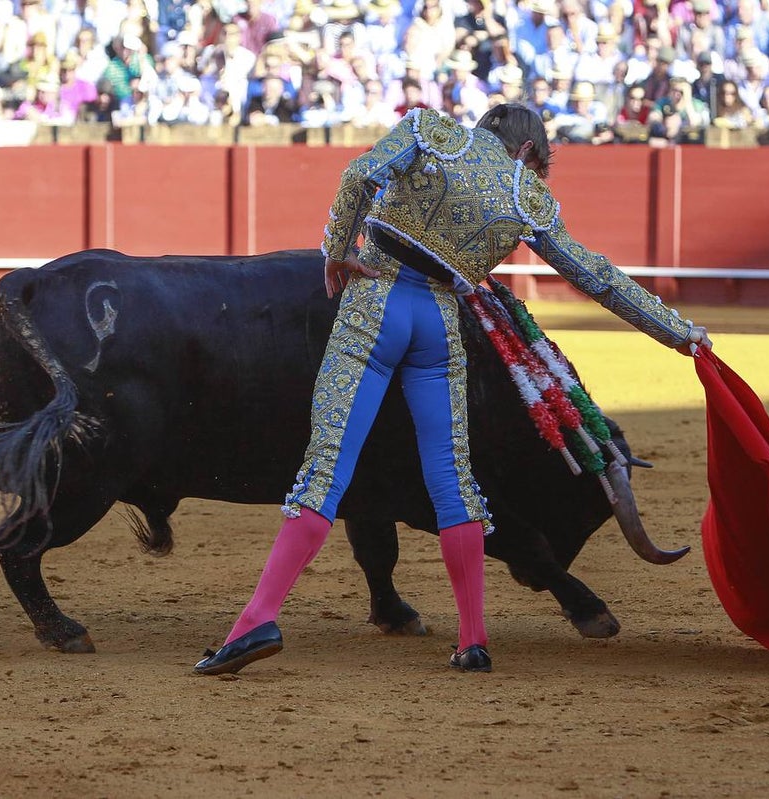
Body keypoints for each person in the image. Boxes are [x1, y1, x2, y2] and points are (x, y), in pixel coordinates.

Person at [193, 103, 711, 678]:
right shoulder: (527, 197)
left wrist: (338, 251)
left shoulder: (430, 130)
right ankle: (473, 639)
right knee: (453, 479)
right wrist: (682, 335)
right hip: (438, 321)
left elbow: (358, 177)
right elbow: (597, 277)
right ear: (528, 153)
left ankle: (258, 618)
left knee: (327, 467)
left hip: (375, 301)